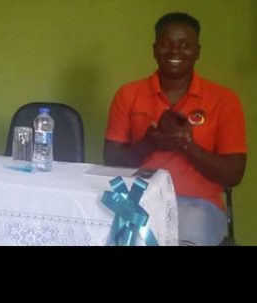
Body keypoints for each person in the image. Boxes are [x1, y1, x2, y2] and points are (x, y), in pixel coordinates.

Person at [103, 12, 247, 246]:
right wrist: (150, 143)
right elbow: (111, 162)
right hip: (136, 202)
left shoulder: (224, 100)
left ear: (198, 51)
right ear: (154, 49)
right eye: (166, 44)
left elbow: (234, 174)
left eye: (185, 45)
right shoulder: (128, 94)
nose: (174, 52)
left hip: (198, 205)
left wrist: (186, 145)